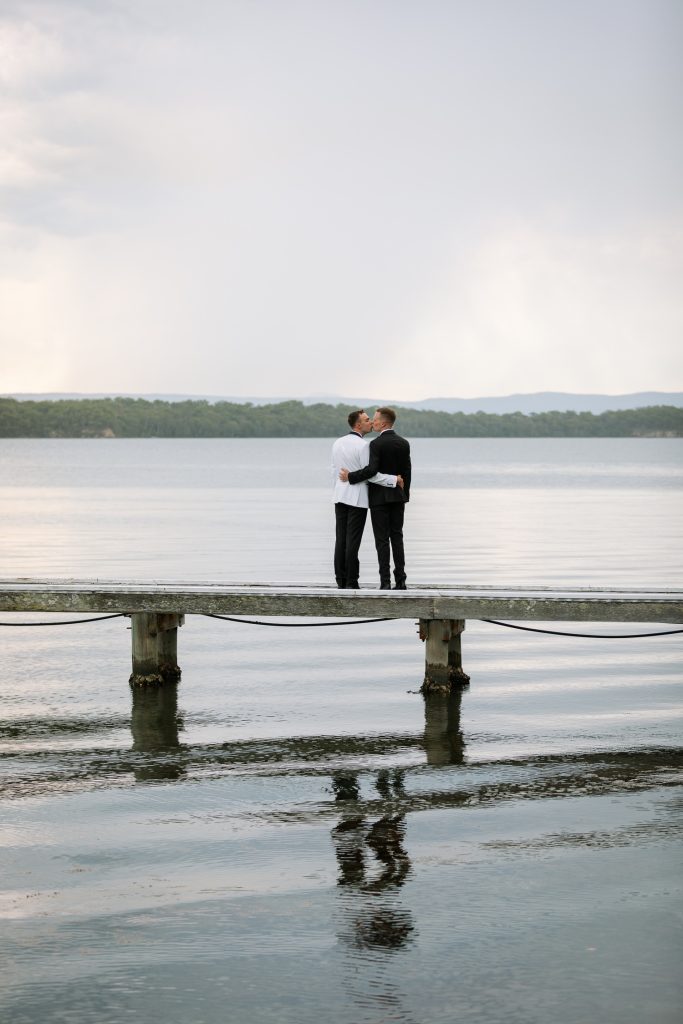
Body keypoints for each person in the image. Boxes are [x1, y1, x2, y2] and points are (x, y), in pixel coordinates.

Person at [340, 407, 411, 589]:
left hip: (378, 499)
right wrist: (404, 495)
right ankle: (401, 580)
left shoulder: (375, 444)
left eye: (376, 419)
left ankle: (385, 582)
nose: (374, 422)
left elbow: (372, 471)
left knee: (381, 541)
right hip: (397, 497)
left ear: (384, 423)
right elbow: (407, 472)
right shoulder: (404, 443)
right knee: (397, 538)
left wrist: (351, 477)